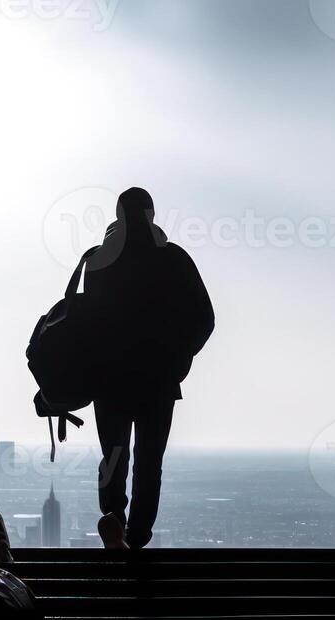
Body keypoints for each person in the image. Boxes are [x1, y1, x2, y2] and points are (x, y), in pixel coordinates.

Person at [84, 187, 214, 550]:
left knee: (113, 456)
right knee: (148, 462)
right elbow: (205, 318)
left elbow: (87, 322)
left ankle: (112, 517)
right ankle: (138, 538)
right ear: (151, 214)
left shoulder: (98, 261)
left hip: (108, 380)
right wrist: (178, 359)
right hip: (158, 381)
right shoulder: (173, 258)